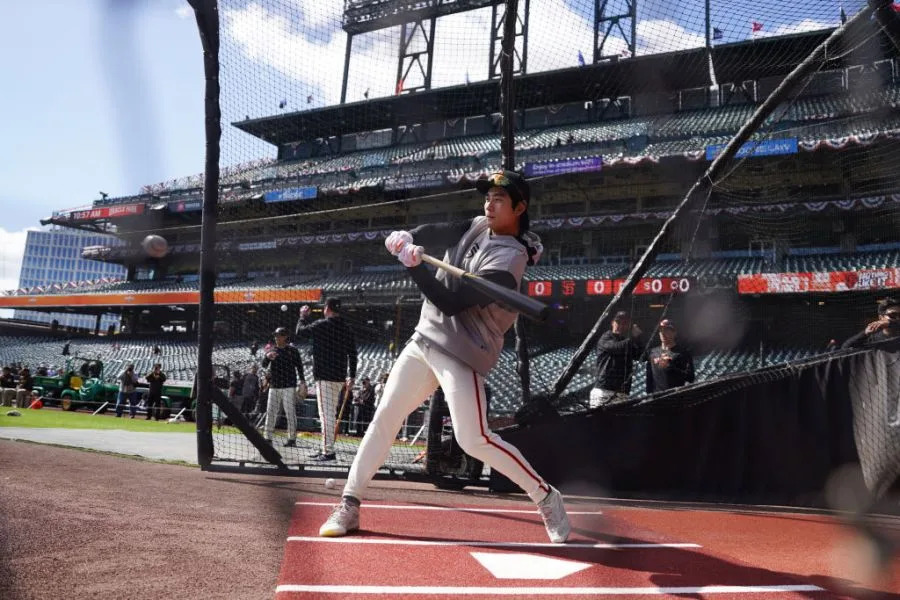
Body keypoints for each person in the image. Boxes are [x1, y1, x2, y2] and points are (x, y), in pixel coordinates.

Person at [318, 169, 571, 544]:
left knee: (474, 439)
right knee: (384, 418)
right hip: (425, 340)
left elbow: (451, 303)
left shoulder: (510, 259)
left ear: (520, 207)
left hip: (463, 351)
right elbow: (442, 229)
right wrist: (411, 238)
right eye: (488, 197)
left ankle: (546, 495)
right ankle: (349, 503)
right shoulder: (478, 224)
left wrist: (415, 268)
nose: (489, 203)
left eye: (500, 199)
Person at [295, 297, 358, 462]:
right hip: (339, 378)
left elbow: (299, 332)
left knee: (326, 416)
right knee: (329, 414)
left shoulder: (322, 324)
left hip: (324, 377)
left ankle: (328, 452)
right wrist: (352, 375)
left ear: (327, 308)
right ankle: (325, 448)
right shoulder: (347, 327)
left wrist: (302, 316)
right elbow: (353, 353)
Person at [261, 327, 306, 446]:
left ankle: (292, 439)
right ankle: (267, 437)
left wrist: (302, 381)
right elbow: (264, 365)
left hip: (289, 386)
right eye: (275, 335)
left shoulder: (292, 350)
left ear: (285, 337)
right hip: (274, 386)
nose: (276, 338)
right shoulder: (272, 350)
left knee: (290, 413)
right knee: (271, 412)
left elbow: (300, 367)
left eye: (279, 335)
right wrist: (267, 357)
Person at [590, 311, 643, 407]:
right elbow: (617, 347)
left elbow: (640, 354)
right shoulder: (606, 337)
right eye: (618, 322)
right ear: (612, 323)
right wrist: (633, 338)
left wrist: (638, 338)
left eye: (625, 323)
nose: (621, 326)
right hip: (604, 390)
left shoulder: (627, 342)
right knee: (598, 420)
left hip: (622, 392)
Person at [645, 319, 695, 394]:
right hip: (656, 398)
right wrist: (648, 396)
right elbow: (649, 378)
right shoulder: (652, 352)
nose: (663, 333)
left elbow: (690, 378)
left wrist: (670, 367)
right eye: (661, 330)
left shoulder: (683, 353)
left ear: (674, 333)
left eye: (666, 330)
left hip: (674, 398)